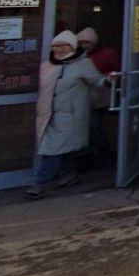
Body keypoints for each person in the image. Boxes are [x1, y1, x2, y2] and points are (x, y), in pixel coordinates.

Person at [25, 31, 109, 199]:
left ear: (72, 47)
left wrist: (109, 80)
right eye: (55, 46)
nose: (59, 49)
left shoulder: (83, 64)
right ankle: (69, 174)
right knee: (63, 147)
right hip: (47, 114)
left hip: (69, 115)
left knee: (53, 150)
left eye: (63, 45)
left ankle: (39, 183)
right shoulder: (47, 65)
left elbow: (97, 81)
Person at [78, 27, 120, 165]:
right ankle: (97, 154)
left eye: (87, 42)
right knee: (91, 126)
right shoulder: (77, 57)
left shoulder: (107, 54)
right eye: (81, 43)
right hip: (84, 97)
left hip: (100, 96)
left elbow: (117, 71)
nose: (84, 46)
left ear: (94, 42)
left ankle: (103, 153)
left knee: (95, 126)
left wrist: (109, 78)